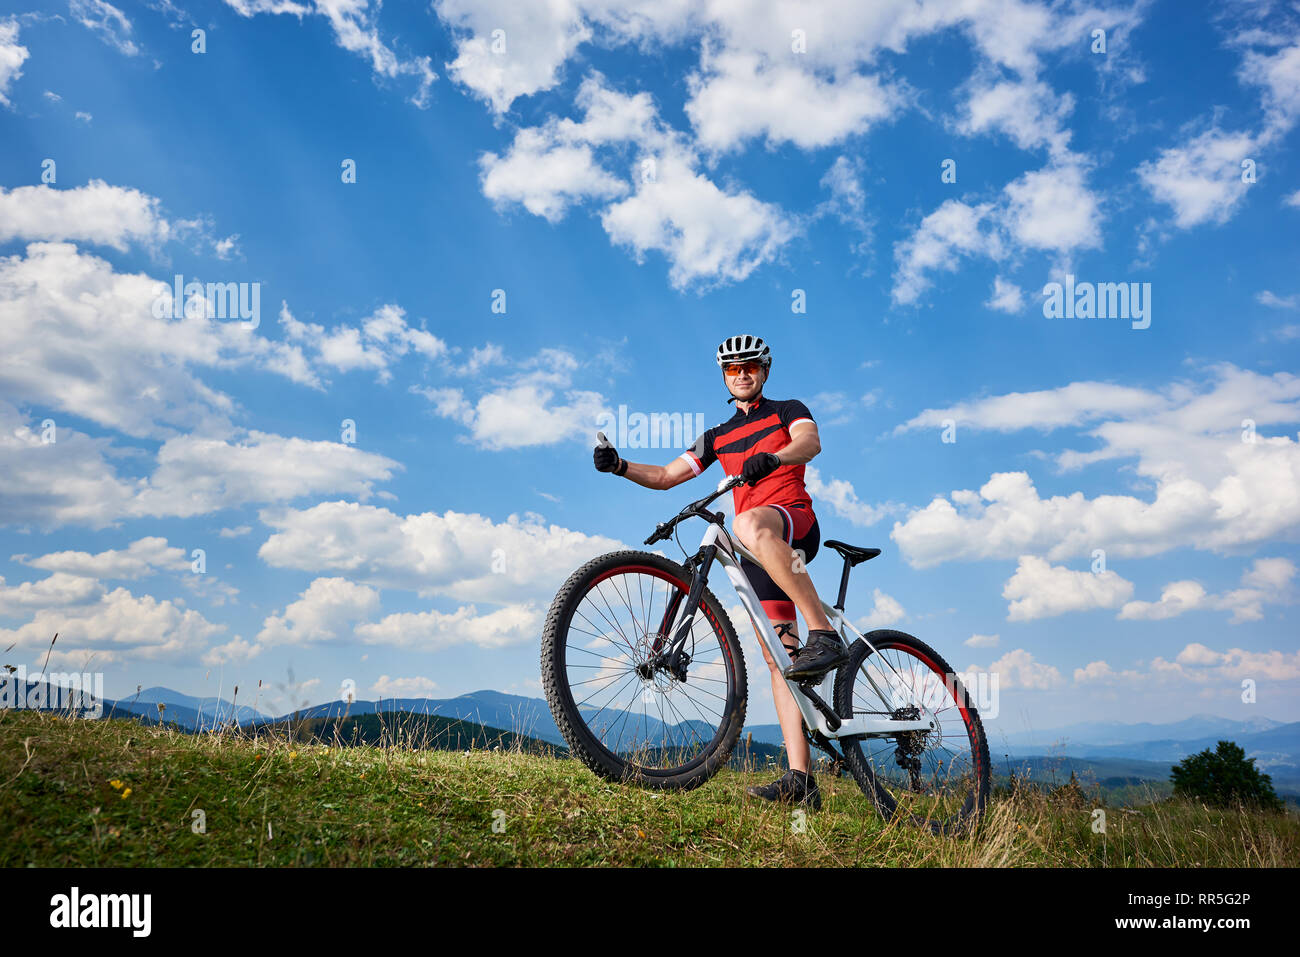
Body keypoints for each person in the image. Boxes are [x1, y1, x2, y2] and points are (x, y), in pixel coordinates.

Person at [591, 334, 845, 810]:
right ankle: (800, 779)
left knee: (746, 520)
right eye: (733, 369)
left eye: (750, 366)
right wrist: (620, 465)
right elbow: (668, 476)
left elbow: (810, 443)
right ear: (725, 378)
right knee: (778, 657)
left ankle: (824, 631)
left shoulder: (787, 409)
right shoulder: (717, 436)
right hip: (758, 549)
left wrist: (778, 456)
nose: (742, 374)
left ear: (764, 371)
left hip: (792, 521)